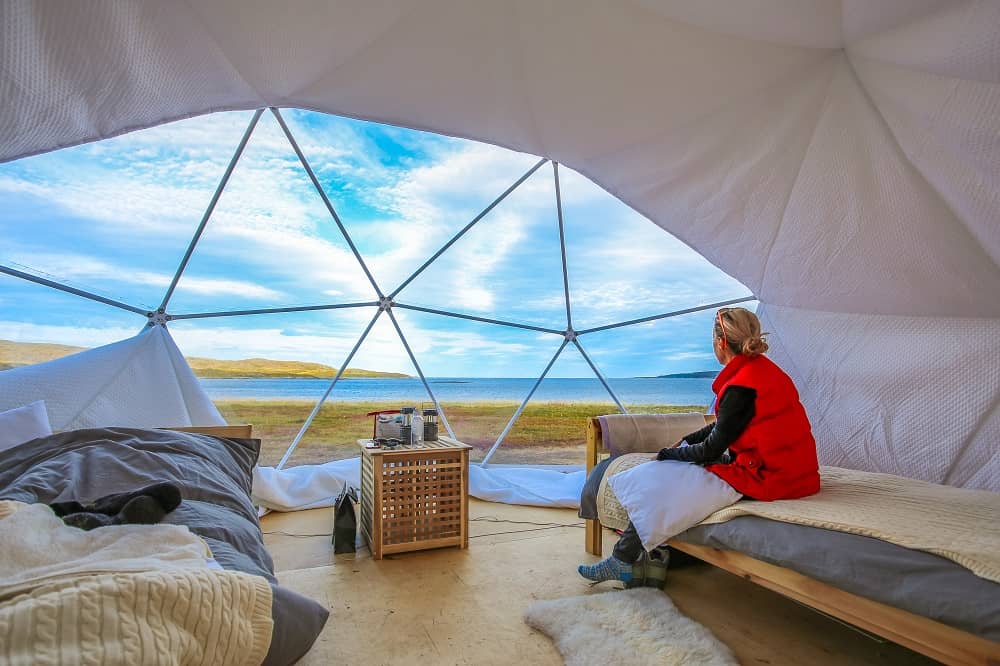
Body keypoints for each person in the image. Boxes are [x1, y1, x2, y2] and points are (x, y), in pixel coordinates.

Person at [578, 307, 820, 583]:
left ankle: (622, 560)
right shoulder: (765, 372)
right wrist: (689, 439)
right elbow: (730, 426)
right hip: (797, 472)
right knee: (675, 474)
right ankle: (639, 556)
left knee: (665, 479)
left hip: (769, 476)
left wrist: (668, 454)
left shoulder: (741, 387)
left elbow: (711, 451)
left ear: (721, 343)